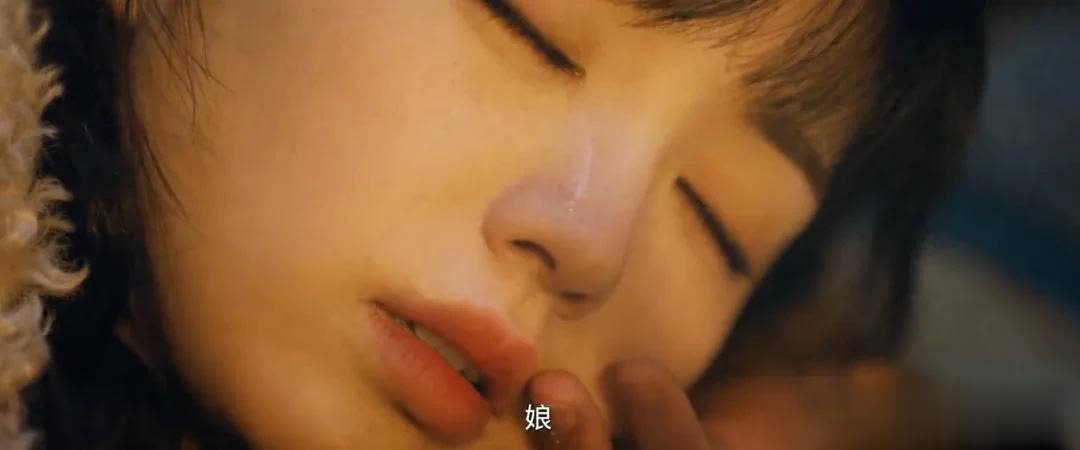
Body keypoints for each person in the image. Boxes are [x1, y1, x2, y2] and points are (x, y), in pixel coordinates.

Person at [0, 0, 986, 449]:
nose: (593, 239)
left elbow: (542, 420)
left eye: (722, 221)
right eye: (530, 28)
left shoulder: (548, 419)